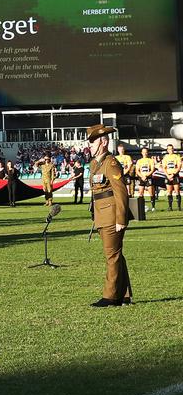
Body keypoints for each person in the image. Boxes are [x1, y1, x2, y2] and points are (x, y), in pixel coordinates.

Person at [86, 125, 132, 307]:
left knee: (111, 255)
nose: (89, 145)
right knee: (116, 254)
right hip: (101, 214)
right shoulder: (94, 164)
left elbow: (121, 192)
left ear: (103, 142)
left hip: (112, 215)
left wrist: (121, 219)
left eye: (92, 141)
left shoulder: (111, 163)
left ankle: (110, 297)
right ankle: (124, 295)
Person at [160, 144, 180, 211]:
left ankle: (179, 207)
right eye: (169, 149)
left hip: (175, 175)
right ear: (167, 150)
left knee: (177, 191)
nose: (170, 150)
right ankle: (170, 207)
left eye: (171, 148)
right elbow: (164, 167)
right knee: (169, 191)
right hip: (168, 175)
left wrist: (173, 174)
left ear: (173, 149)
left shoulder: (177, 157)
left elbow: (179, 167)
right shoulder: (165, 157)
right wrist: (167, 175)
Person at [135, 148, 155, 212]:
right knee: (141, 193)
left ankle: (153, 207)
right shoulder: (139, 161)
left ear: (147, 153)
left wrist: (146, 175)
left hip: (148, 177)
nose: (145, 153)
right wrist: (142, 176)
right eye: (143, 152)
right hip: (142, 177)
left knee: (151, 192)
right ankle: (141, 206)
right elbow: (137, 170)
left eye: (146, 152)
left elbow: (152, 169)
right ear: (141, 153)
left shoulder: (150, 160)